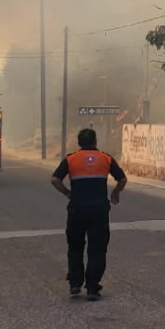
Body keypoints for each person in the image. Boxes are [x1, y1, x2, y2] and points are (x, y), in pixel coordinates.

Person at [50, 128, 126, 301]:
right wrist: (115, 193)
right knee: (97, 248)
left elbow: (54, 179)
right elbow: (122, 179)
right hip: (99, 211)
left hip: (77, 209)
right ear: (95, 141)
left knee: (75, 247)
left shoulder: (71, 159)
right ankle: (92, 287)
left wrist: (68, 193)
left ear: (79, 142)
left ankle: (75, 284)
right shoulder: (106, 158)